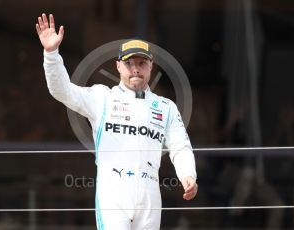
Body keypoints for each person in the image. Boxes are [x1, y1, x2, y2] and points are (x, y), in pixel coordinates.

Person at [36, 13, 198, 230]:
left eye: (141, 63)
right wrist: (51, 53)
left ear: (151, 66)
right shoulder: (102, 98)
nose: (135, 69)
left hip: (150, 195)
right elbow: (62, 90)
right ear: (118, 66)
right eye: (129, 63)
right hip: (113, 193)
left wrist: (188, 175)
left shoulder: (166, 107)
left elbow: (180, 146)